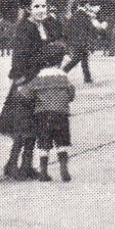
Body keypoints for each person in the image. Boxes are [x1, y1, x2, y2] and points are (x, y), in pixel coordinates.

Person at [0, 0, 60, 180]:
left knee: (35, 126)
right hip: (26, 82)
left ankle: (26, 165)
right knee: (21, 128)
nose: (41, 10)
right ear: (28, 9)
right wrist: (20, 79)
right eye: (36, 6)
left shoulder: (45, 26)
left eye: (43, 6)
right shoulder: (24, 28)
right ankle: (11, 164)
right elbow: (20, 57)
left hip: (41, 82)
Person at [26, 41, 76, 182]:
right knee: (62, 142)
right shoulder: (63, 76)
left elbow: (28, 94)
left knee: (43, 142)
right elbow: (71, 94)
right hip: (61, 114)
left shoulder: (39, 77)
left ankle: (43, 172)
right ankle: (63, 169)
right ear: (60, 61)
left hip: (43, 114)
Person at [61, 1, 99, 84]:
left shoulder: (74, 15)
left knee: (83, 59)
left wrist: (68, 40)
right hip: (82, 42)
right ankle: (62, 73)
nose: (89, 7)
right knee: (77, 59)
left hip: (75, 41)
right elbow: (90, 29)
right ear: (85, 6)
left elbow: (67, 29)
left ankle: (87, 78)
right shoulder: (85, 16)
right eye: (88, 5)